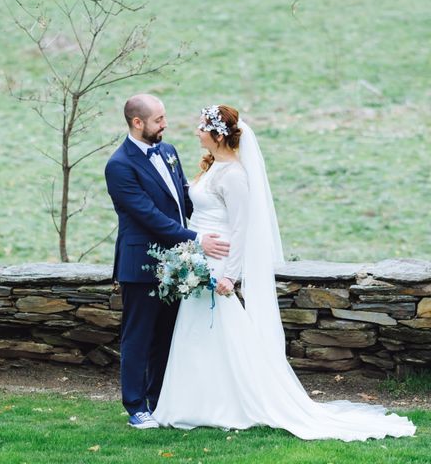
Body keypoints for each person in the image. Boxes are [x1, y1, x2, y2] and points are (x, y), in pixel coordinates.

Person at [151, 104, 417, 440]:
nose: (196, 131)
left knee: (218, 331)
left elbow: (242, 228)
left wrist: (230, 275)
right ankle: (193, 402)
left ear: (218, 134)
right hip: (199, 257)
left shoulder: (233, 175)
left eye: (202, 126)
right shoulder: (213, 167)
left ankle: (224, 402)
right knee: (198, 331)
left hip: (218, 262)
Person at [105, 94, 230, 429]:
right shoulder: (119, 165)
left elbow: (182, 201)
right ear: (137, 122)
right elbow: (148, 216)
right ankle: (135, 407)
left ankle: (159, 400)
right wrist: (196, 239)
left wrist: (219, 198)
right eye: (159, 119)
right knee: (138, 337)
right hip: (141, 263)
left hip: (176, 263)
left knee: (166, 336)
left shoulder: (169, 151)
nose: (165, 124)